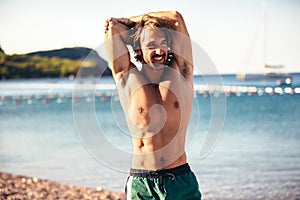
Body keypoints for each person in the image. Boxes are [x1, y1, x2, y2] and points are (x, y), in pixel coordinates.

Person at [104, 11, 201, 200]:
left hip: (180, 180)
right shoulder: (127, 77)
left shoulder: (182, 72)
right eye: (151, 45)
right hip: (143, 183)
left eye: (163, 43)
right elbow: (113, 27)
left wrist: (135, 22)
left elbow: (175, 17)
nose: (159, 51)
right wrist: (139, 29)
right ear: (138, 50)